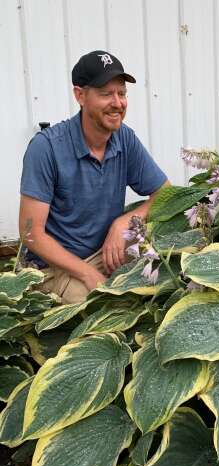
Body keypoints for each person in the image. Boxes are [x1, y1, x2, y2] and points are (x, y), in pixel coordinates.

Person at [19, 50, 170, 304]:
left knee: (163, 277)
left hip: (105, 252)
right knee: (102, 308)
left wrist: (124, 222)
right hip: (55, 267)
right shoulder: (46, 148)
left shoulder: (125, 138)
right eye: (105, 94)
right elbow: (31, 234)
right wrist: (87, 273)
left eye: (121, 93)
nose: (118, 103)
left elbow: (166, 193)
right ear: (80, 95)